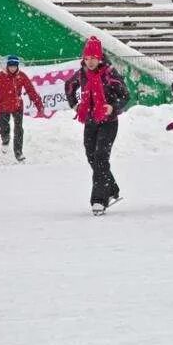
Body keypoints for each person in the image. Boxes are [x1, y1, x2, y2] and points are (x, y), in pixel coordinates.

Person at [65, 36, 131, 216]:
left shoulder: (109, 73)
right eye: (87, 58)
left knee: (101, 157)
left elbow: (125, 95)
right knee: (92, 157)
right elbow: (69, 86)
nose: (90, 61)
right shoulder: (81, 74)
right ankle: (112, 189)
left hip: (108, 122)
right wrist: (75, 105)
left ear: (99, 57)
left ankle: (99, 200)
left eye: (93, 58)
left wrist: (113, 107)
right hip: (90, 121)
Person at [0, 55, 44, 162]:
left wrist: (39, 105)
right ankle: (5, 140)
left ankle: (18, 153)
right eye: (10, 66)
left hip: (17, 106)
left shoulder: (21, 76)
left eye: (14, 66)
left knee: (19, 129)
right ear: (7, 66)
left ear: (17, 66)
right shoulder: (1, 76)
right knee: (4, 128)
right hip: (3, 106)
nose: (12, 68)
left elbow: (31, 91)